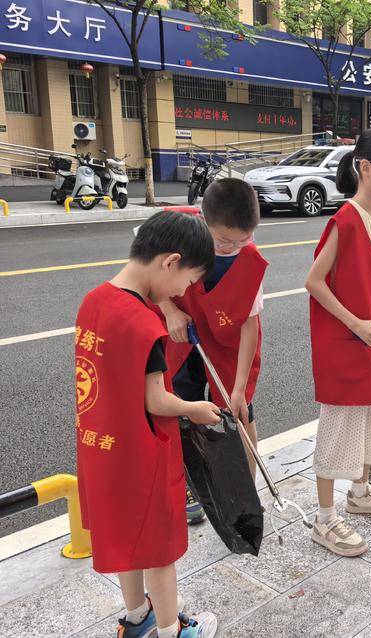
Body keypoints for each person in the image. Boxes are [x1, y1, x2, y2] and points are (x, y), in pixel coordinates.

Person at [74, 210, 221, 638]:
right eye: (187, 281)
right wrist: (195, 408)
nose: (182, 292)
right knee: (159, 549)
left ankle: (137, 616)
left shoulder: (93, 302)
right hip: (141, 456)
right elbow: (155, 400)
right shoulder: (142, 322)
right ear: (170, 262)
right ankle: (173, 630)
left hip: (102, 449)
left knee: (127, 541)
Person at [305, 126, 371, 556]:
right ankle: (324, 518)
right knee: (340, 427)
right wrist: (354, 323)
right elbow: (314, 282)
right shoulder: (344, 221)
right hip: (348, 344)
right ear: (365, 168)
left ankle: (361, 492)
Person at [159, 180, 267, 525]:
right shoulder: (180, 236)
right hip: (183, 333)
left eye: (242, 240)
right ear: (204, 221)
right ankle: (190, 483)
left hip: (229, 340)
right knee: (182, 407)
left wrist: (238, 389)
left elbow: (250, 325)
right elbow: (146, 278)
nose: (233, 248)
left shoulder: (250, 260)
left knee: (238, 413)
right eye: (223, 241)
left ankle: (246, 495)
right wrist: (169, 311)